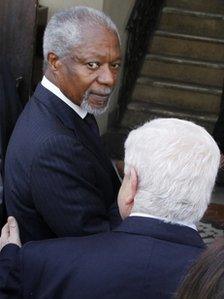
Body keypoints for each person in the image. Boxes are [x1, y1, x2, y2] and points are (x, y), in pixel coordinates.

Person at [0, 118, 220, 299]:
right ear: (205, 198)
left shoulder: (40, 262)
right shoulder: (216, 282)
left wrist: (9, 263)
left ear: (131, 185)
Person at [4, 6, 122, 243]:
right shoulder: (53, 145)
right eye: (93, 65)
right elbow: (95, 241)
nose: (109, 79)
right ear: (55, 61)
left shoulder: (68, 109)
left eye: (115, 65)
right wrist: (136, 200)